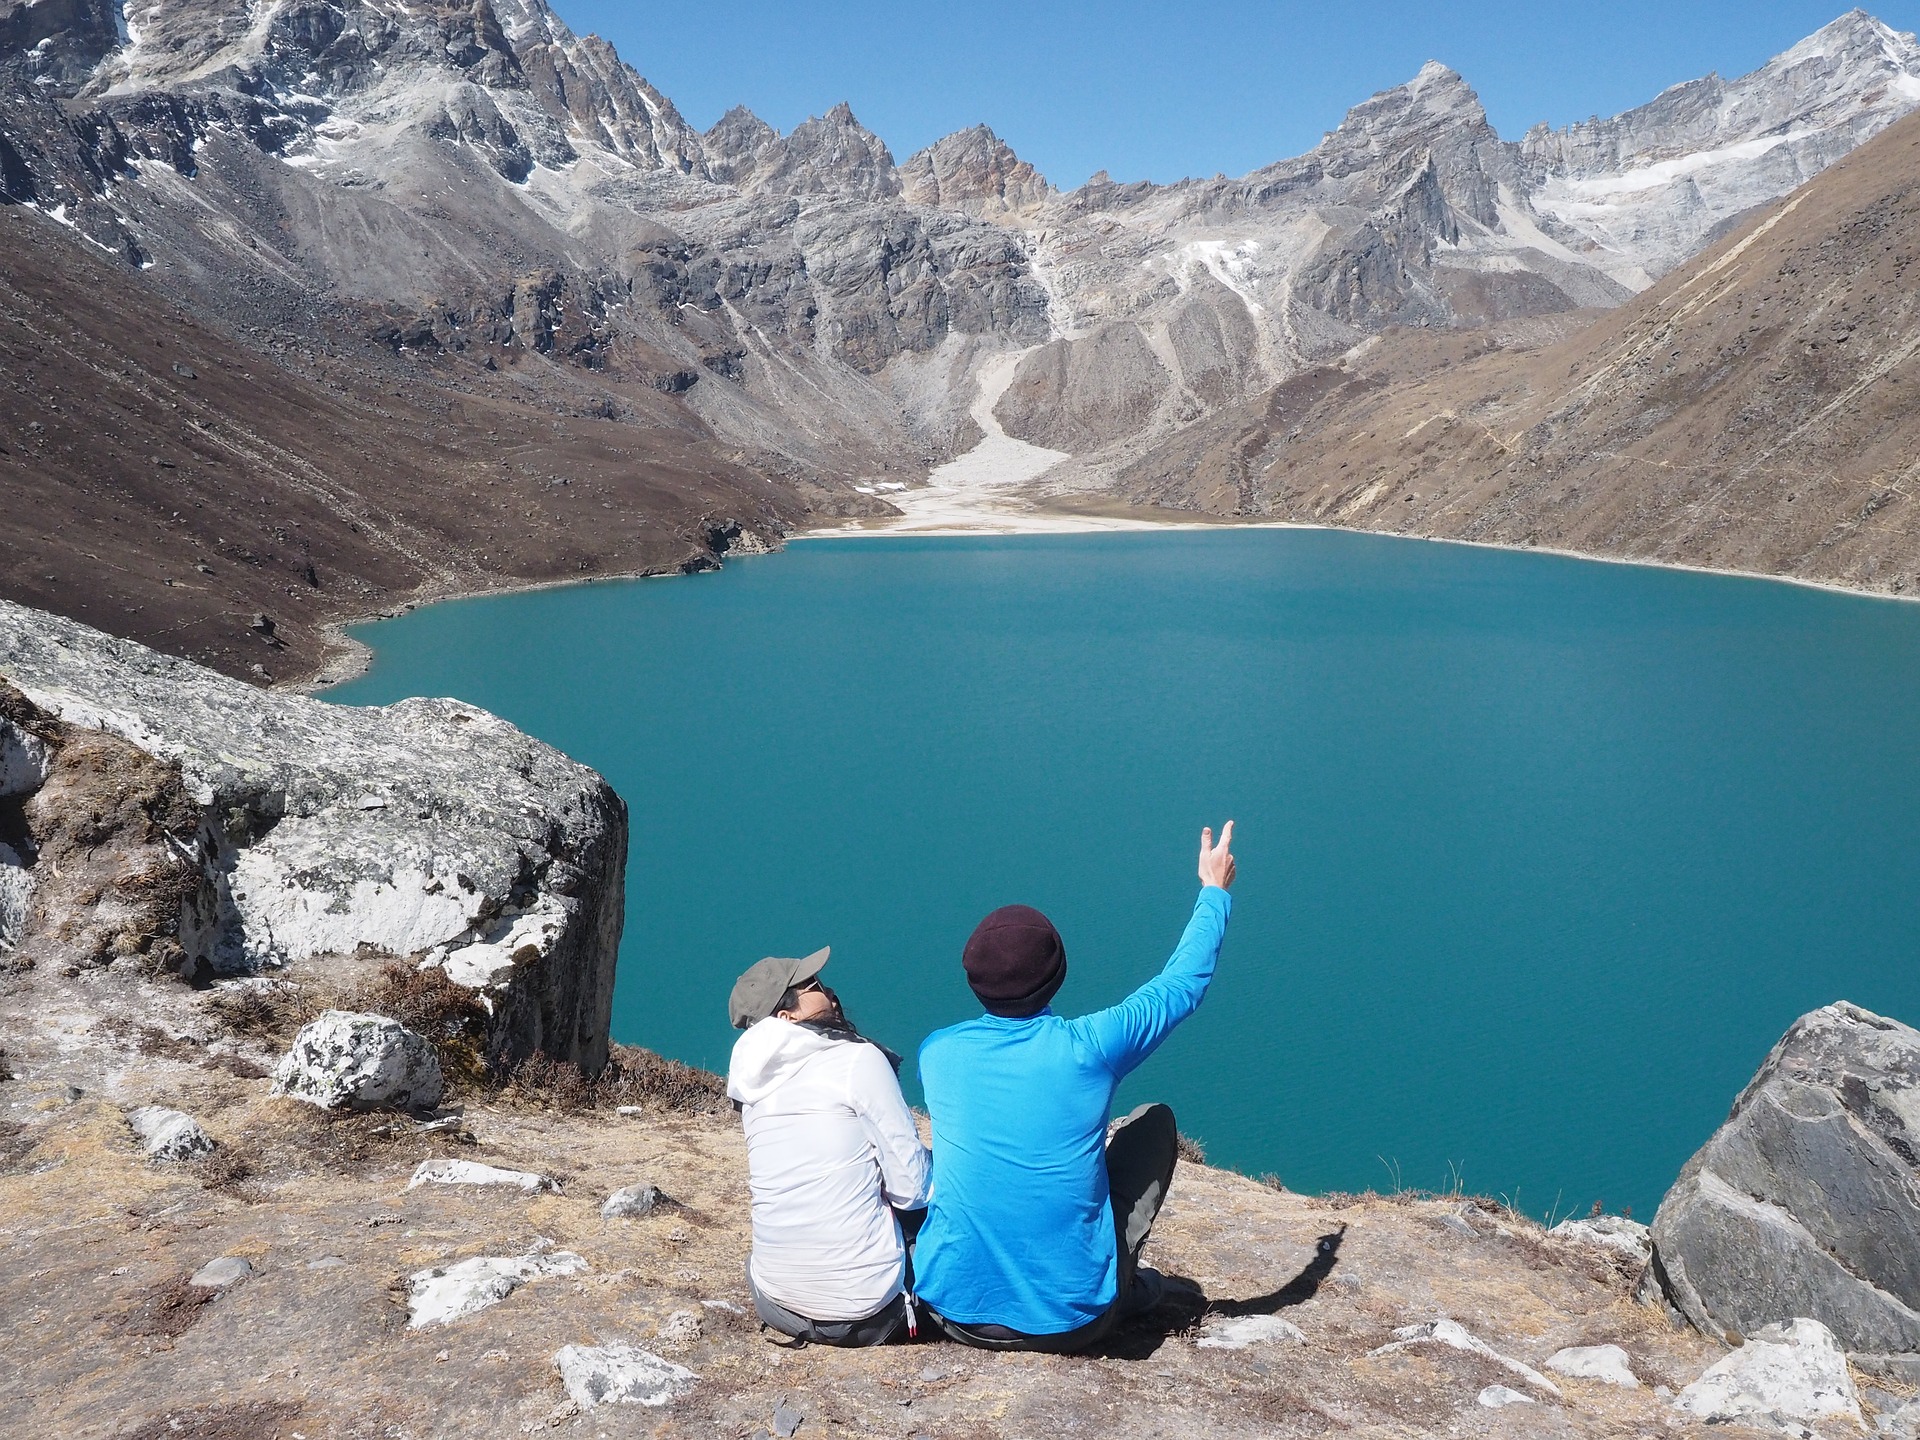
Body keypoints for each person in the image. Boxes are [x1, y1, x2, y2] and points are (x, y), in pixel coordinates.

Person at [912, 822, 1237, 1351]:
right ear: (1057, 973)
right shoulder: (1090, 1047)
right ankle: (1123, 1284)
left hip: (950, 1311)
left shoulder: (938, 1053)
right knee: (1153, 1122)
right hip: (1071, 1322)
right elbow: (1181, 984)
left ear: (974, 980)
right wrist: (1214, 891)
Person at [725, 946, 931, 1345]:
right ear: (787, 1016)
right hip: (866, 1313)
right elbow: (913, 1190)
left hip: (774, 1300)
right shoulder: (857, 1060)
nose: (830, 992)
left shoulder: (748, 1081)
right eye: (814, 986)